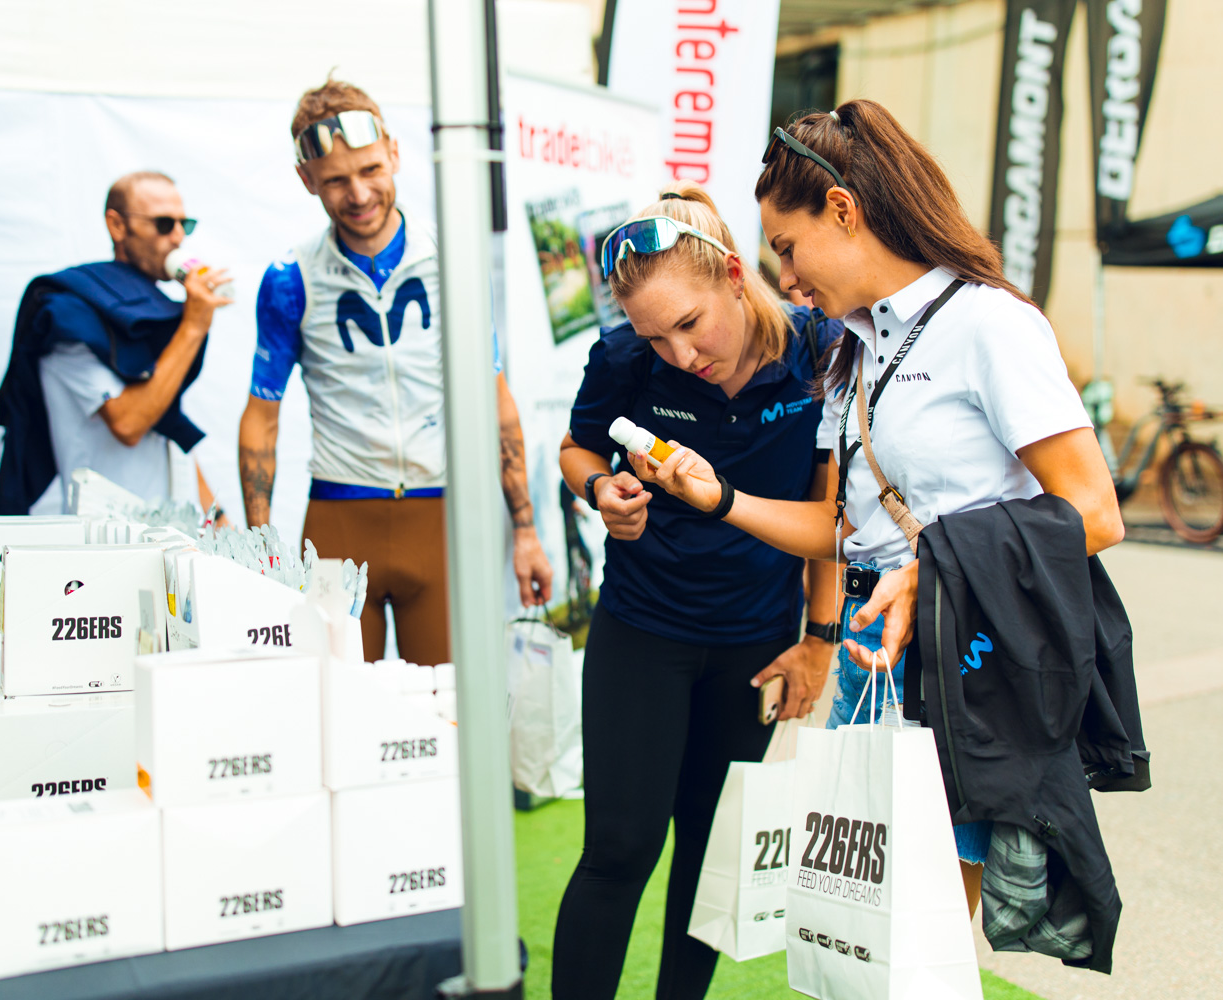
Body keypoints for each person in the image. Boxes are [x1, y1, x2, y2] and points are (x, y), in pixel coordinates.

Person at [636, 100, 1125, 918]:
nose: (784, 280)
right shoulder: (854, 348)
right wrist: (721, 499)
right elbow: (845, 532)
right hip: (874, 656)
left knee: (921, 930)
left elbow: (1094, 511)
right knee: (851, 927)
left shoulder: (988, 324)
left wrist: (935, 565)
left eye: (787, 249)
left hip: (967, 654)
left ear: (843, 209)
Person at [550, 183, 842, 1000]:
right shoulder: (623, 358)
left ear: (734, 277)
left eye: (689, 324)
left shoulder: (818, 348)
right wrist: (601, 492)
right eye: (657, 336)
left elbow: (834, 511)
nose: (680, 354)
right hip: (643, 628)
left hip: (753, 641)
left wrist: (819, 639)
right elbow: (575, 449)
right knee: (618, 848)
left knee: (706, 858)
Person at [238, 77, 551, 665]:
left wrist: (526, 530)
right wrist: (261, 546)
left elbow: (494, 398)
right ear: (307, 181)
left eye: (371, 170)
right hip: (337, 520)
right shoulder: (289, 278)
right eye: (335, 180)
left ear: (396, 154)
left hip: (440, 517)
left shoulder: (452, 257)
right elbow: (262, 417)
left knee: (449, 721)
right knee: (335, 719)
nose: (358, 193)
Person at [0, 171, 229, 514]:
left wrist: (217, 518)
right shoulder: (67, 315)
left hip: (172, 532)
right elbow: (130, 423)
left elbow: (167, 423)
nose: (178, 237)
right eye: (164, 223)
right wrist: (193, 326)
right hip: (107, 537)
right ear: (117, 226)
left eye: (185, 224)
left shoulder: (155, 317)